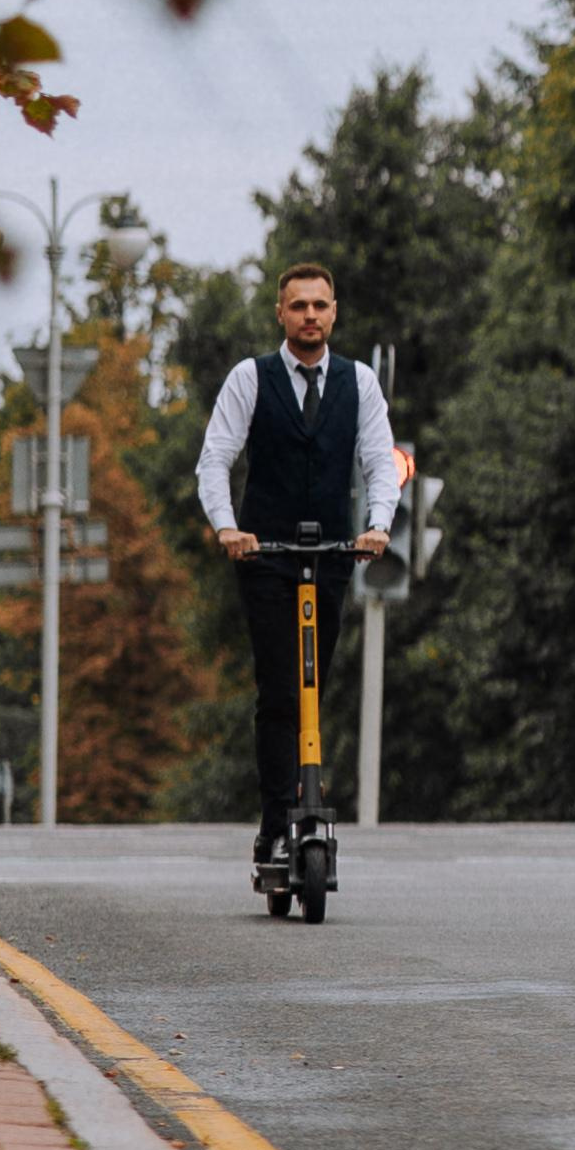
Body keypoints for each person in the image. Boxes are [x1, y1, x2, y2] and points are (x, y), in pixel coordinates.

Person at [197, 261, 402, 864]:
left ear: (334, 311)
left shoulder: (358, 381)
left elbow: (379, 461)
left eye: (319, 305)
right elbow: (215, 460)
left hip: (334, 555)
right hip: (267, 556)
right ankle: (274, 825)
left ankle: (304, 802)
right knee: (280, 690)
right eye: (298, 306)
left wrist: (379, 526)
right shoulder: (249, 378)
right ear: (280, 314)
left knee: (314, 685)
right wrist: (228, 527)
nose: (310, 315)